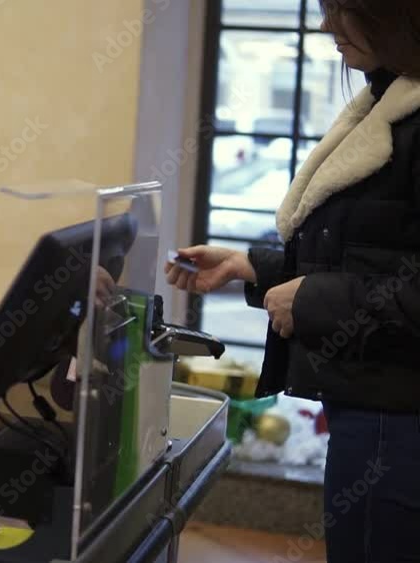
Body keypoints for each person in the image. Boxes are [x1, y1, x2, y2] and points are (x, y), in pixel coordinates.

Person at [166, 2, 420, 561]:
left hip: (398, 424)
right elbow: (373, 257)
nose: (328, 27)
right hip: (368, 407)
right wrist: (253, 266)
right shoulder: (388, 97)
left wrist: (315, 300)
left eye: (343, 11)